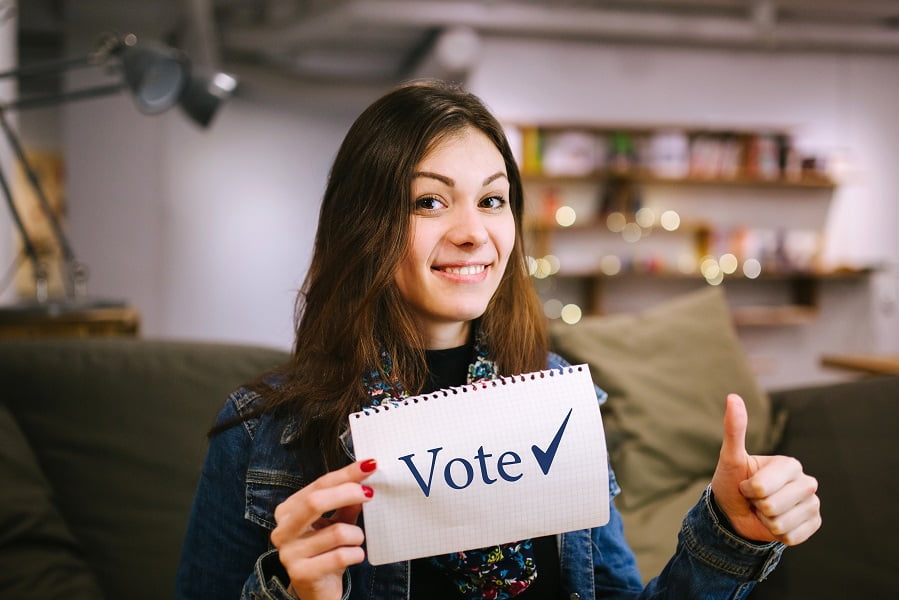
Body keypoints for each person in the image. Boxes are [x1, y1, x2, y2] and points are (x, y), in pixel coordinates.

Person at [175, 80, 821, 600]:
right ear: (362, 224)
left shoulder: (555, 395)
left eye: (491, 201)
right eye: (429, 202)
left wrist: (729, 531)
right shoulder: (261, 432)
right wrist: (296, 595)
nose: (471, 232)